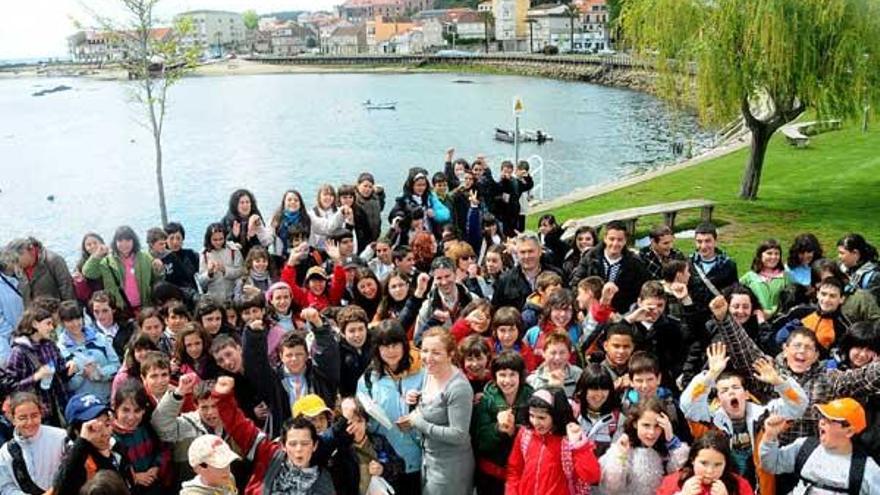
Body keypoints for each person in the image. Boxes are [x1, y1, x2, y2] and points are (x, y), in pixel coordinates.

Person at [680, 342, 808, 492]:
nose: (731, 393)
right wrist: (711, 375)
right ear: (718, 399)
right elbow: (687, 405)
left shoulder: (765, 416)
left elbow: (799, 405)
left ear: (746, 394)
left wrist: (779, 382)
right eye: (724, 390)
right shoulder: (709, 420)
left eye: (735, 388)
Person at [212, 377, 336, 495]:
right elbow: (239, 427)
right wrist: (223, 398)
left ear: (315, 445)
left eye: (305, 443)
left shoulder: (327, 475)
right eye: (293, 443)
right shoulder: (269, 453)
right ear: (283, 444)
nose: (299, 449)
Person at [397, 327, 474, 495]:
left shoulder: (458, 388)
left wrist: (419, 422)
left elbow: (459, 435)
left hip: (451, 467)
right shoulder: (429, 372)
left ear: (450, 354)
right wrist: (416, 398)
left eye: (436, 353)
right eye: (425, 351)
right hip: (429, 460)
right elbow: (431, 402)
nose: (428, 358)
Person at [356, 319, 424, 494]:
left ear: (404, 345)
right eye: (384, 346)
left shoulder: (422, 373)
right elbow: (362, 422)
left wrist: (415, 418)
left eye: (395, 345)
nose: (391, 351)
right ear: (377, 349)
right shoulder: (368, 380)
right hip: (387, 463)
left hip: (420, 460)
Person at [760, 398, 880, 494]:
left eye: (831, 420)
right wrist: (769, 435)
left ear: (849, 431)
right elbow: (771, 465)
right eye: (822, 417)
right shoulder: (805, 447)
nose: (822, 422)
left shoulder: (867, 470)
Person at [504, 388, 601, 495]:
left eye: (542, 417)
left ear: (555, 415)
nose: (535, 422)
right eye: (531, 416)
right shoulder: (525, 434)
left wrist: (579, 446)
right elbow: (514, 471)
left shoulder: (569, 440)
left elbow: (592, 477)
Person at [599, 397, 690, 494]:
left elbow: (680, 473)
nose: (651, 432)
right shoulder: (623, 447)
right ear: (635, 424)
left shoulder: (667, 448)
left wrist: (671, 439)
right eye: (646, 425)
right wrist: (620, 456)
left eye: (657, 426)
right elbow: (611, 487)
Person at [472, 351, 533, 495]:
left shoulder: (532, 399)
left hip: (523, 474)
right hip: (491, 475)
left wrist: (516, 430)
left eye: (513, 375)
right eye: (502, 375)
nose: (507, 380)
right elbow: (480, 440)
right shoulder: (486, 401)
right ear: (494, 377)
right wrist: (498, 429)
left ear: (521, 376)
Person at [53, 393, 134, 495]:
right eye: (94, 428)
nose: (105, 433)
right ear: (77, 432)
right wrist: (82, 442)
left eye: (106, 423)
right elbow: (61, 488)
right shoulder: (77, 462)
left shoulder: (116, 447)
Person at [7, 306, 72, 427]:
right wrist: (36, 377)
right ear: (35, 324)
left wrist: (70, 368)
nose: (51, 328)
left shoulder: (50, 345)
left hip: (57, 407)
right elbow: (12, 387)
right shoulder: (19, 351)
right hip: (36, 413)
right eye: (48, 323)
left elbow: (61, 374)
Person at [570, 220, 649, 314]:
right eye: (611, 239)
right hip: (591, 311)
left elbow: (643, 290)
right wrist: (579, 308)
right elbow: (576, 283)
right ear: (605, 238)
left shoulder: (635, 263)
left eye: (620, 240)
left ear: (625, 240)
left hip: (620, 314)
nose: (615, 244)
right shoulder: (590, 257)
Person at [82, 226, 161, 316]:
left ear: (134, 241)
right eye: (120, 241)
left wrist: (159, 269)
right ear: (115, 243)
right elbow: (88, 272)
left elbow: (157, 279)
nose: (124, 244)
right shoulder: (107, 262)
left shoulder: (145, 257)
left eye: (128, 240)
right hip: (121, 310)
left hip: (145, 306)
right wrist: (97, 255)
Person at [110, 381, 172, 495]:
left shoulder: (148, 427)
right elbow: (108, 472)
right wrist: (134, 477)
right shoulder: (109, 437)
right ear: (115, 408)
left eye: (137, 410)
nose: (131, 417)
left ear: (144, 410)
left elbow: (163, 449)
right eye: (125, 410)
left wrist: (156, 467)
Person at [0, 392, 67, 494]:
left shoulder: (61, 437)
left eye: (34, 416)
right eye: (23, 418)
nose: (30, 422)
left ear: (41, 414)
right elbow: (5, 487)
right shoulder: (5, 452)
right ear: (13, 420)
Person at [57, 300, 120, 401]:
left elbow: (117, 366)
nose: (75, 324)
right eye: (69, 321)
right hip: (82, 406)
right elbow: (65, 385)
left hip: (107, 400)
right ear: (62, 323)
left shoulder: (100, 338)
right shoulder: (60, 349)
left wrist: (99, 373)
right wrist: (82, 374)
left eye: (78, 318)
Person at [656, 430, 753, 495]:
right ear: (693, 460)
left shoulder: (741, 486)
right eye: (704, 463)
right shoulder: (671, 482)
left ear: (726, 464)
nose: (710, 471)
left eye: (718, 465)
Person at [414, 257, 479, 343]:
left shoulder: (473, 300)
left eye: (447, 276)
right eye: (439, 278)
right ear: (434, 279)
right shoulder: (428, 307)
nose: (444, 282)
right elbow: (418, 340)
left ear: (455, 274)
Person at [688, 222, 739, 323]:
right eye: (699, 241)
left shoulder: (728, 265)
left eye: (708, 241)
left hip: (718, 316)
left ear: (715, 241)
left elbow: (734, 291)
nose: (703, 246)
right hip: (695, 316)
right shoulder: (688, 263)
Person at [493, 233, 558, 310]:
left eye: (530, 251)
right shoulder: (504, 281)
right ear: (517, 254)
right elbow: (497, 311)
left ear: (540, 251)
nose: (527, 256)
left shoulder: (556, 275)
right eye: (522, 252)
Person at [572, 362, 625, 457]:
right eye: (594, 389)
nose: (599, 394)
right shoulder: (573, 413)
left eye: (604, 389)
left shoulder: (617, 419)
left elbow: (617, 457)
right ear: (583, 389)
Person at [5, 237, 75, 304]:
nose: (15, 264)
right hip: (33, 314)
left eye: (16, 260)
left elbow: (68, 293)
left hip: (55, 313)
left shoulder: (54, 261)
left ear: (28, 251)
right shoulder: (20, 269)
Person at [740, 238, 791, 319]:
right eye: (769, 253)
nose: (773, 257)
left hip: (779, 319)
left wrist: (773, 312)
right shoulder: (749, 277)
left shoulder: (785, 277)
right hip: (754, 320)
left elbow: (789, 300)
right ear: (760, 255)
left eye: (777, 254)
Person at [197, 223, 243, 303]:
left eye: (221, 239)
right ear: (209, 239)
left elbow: (240, 271)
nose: (218, 242)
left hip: (232, 296)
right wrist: (209, 273)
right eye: (215, 240)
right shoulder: (204, 254)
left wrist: (225, 270)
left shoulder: (233, 250)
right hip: (213, 299)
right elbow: (201, 281)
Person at [526, 331, 583, 397]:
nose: (557, 358)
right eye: (553, 353)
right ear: (544, 353)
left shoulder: (579, 376)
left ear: (569, 354)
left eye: (562, 353)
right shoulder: (532, 381)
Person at [221, 189, 273, 257]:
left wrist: (252, 237)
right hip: (234, 259)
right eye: (242, 203)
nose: (245, 205)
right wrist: (233, 236)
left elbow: (265, 245)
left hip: (253, 258)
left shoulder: (256, 218)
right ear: (235, 205)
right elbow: (220, 244)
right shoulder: (228, 220)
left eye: (247, 202)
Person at [160, 222, 200, 305]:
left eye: (178, 238)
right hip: (172, 302)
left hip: (193, 299)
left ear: (183, 239)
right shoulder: (161, 260)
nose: (175, 242)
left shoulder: (191, 255)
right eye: (171, 238)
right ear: (165, 240)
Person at [838, 233, 880, 303]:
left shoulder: (874, 276)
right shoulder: (841, 266)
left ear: (855, 253)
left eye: (842, 253)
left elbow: (870, 305)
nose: (839, 256)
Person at [270, 190, 312, 259]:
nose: (293, 202)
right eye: (289, 200)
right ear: (284, 203)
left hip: (302, 257)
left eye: (296, 200)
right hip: (282, 257)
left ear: (300, 204)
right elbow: (267, 238)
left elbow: (311, 239)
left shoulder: (307, 218)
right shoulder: (276, 218)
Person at [0, 248, 24, 366]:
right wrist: (11, 332)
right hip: (5, 339)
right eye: (15, 262)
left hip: (19, 333)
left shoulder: (17, 280)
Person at [355, 172, 386, 248]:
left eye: (370, 187)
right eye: (365, 186)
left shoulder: (376, 199)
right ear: (358, 185)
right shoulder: (354, 201)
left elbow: (381, 207)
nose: (367, 189)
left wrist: (382, 194)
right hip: (360, 241)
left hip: (375, 238)